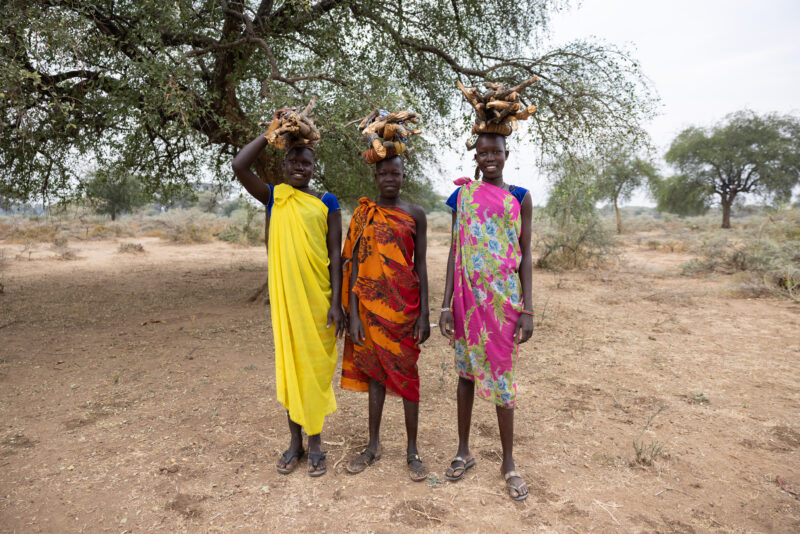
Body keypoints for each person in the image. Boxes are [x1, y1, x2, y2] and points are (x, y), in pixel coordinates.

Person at [231, 103, 345, 477]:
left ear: (314, 167)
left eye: (306, 162)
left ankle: (315, 441)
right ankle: (294, 442)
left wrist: (337, 303)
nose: (299, 166)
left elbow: (334, 253)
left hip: (319, 301)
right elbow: (238, 166)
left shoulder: (326, 202)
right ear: (283, 165)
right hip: (286, 301)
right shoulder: (274, 197)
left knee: (313, 369)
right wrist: (271, 132)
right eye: (293, 160)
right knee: (290, 368)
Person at [439, 84, 536, 499]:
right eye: (483, 152)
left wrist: (528, 309)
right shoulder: (463, 195)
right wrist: (444, 305)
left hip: (503, 304)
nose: (490, 157)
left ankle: (509, 462)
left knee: (502, 380)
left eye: (496, 152)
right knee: (464, 376)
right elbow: (454, 251)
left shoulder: (519, 197)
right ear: (475, 156)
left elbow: (526, 255)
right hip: (466, 302)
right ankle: (463, 450)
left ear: (506, 155)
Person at [341, 110, 430, 481]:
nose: (389, 178)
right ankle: (373, 444)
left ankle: (412, 451)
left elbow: (420, 266)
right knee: (376, 375)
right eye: (384, 173)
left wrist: (424, 314)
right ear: (375, 176)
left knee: (407, 376)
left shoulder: (415, 214)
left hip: (405, 308)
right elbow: (354, 265)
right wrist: (355, 314)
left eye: (396, 173)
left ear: (403, 176)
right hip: (371, 309)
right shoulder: (364, 214)